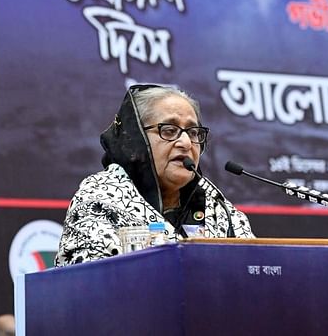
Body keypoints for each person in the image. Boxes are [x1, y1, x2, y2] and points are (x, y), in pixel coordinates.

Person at [55, 84, 254, 266]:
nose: (186, 143)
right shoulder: (100, 200)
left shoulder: (219, 208)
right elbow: (89, 285)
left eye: (193, 132)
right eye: (169, 130)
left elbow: (253, 272)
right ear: (136, 140)